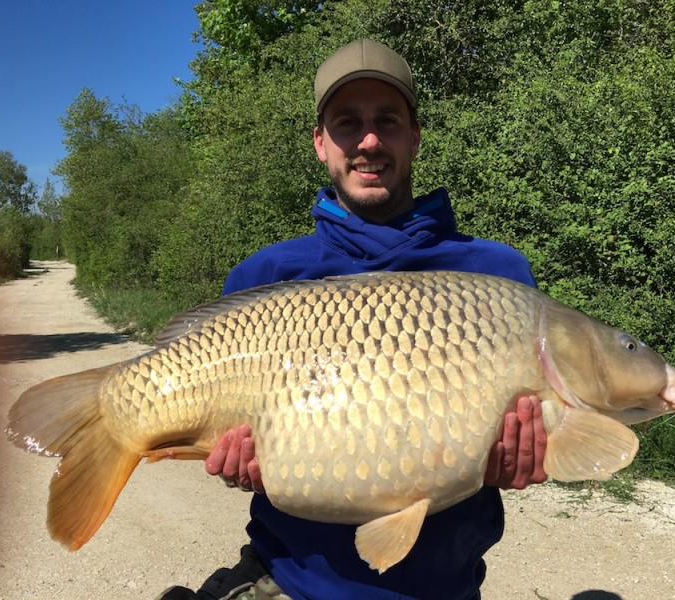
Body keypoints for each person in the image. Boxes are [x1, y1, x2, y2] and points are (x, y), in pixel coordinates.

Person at [159, 38, 547, 600]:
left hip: (446, 586)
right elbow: (230, 447)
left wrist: (522, 458)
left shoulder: (496, 275)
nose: (368, 140)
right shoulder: (266, 276)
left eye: (386, 120)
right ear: (321, 143)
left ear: (413, 137)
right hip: (289, 580)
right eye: (347, 123)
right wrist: (229, 459)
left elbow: (541, 435)